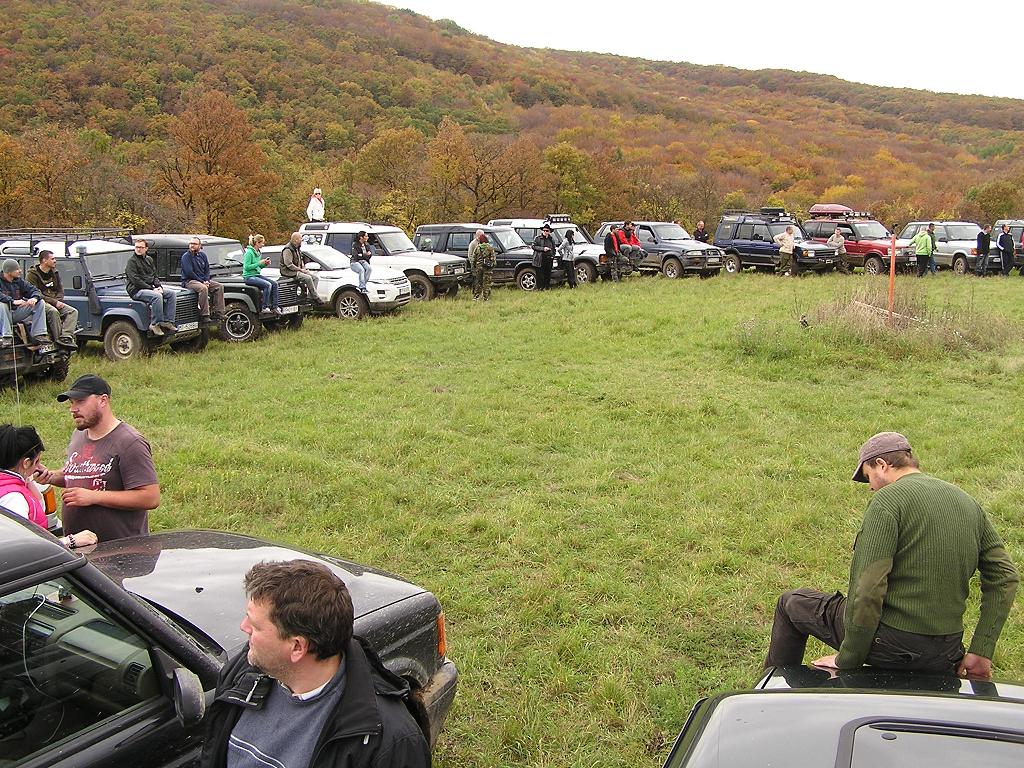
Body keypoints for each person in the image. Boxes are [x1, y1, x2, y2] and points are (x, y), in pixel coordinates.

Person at [765, 432, 1019, 679]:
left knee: (793, 603)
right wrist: (981, 650)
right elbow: (1005, 576)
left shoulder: (888, 501)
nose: (871, 487)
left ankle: (768, 694)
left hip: (891, 644)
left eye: (869, 477)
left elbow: (868, 587)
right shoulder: (967, 502)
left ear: (882, 465)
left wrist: (848, 657)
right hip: (946, 652)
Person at [199, 559, 431, 768]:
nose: (244, 628)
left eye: (256, 626)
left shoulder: (388, 743)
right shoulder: (244, 671)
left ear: (297, 647)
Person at [34, 374, 161, 543]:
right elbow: (82, 474)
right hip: (81, 547)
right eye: (71, 402)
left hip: (121, 550)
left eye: (80, 401)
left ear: (103, 400)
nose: (73, 409)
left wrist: (94, 497)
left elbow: (150, 497)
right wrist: (51, 476)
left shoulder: (130, 442)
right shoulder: (79, 435)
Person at [0, 423, 97, 549]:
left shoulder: (12, 486)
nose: (40, 467)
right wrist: (70, 541)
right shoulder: (14, 499)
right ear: (26, 463)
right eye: (37, 461)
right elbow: (20, 547)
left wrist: (27, 476)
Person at [27, 249, 78, 349]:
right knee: (53, 312)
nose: (55, 261)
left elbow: (60, 290)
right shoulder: (32, 275)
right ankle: (58, 341)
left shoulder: (54, 272)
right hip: (40, 302)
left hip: (55, 301)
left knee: (72, 312)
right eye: (52, 259)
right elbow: (35, 293)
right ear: (44, 261)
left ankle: (66, 337)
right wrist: (54, 302)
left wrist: (58, 301)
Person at [126, 239, 176, 334]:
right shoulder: (131, 262)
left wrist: (159, 286)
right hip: (136, 290)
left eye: (141, 247)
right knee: (157, 296)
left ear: (146, 248)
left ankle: (168, 321)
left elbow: (154, 275)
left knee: (171, 294)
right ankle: (155, 324)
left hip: (149, 288)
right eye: (137, 247)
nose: (138, 249)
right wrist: (152, 289)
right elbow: (135, 280)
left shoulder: (149, 259)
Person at [0, 258, 52, 349]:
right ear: (8, 272)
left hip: (15, 313)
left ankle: (39, 334)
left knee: (40, 302)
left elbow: (35, 290)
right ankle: (6, 337)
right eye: (17, 269)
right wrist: (12, 301)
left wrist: (34, 298)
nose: (20, 271)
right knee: (2, 304)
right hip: (3, 315)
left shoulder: (18, 281)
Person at [180, 237, 226, 322]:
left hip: (202, 280)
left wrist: (207, 280)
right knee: (203, 288)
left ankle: (218, 312)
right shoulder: (186, 257)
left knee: (219, 286)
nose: (192, 245)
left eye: (194, 244)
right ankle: (204, 315)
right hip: (189, 281)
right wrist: (202, 282)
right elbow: (189, 272)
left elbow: (207, 270)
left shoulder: (202, 255)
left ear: (199, 246)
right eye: (191, 243)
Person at [242, 234, 281, 316]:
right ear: (257, 243)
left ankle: (275, 306)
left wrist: (265, 264)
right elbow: (247, 267)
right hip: (249, 276)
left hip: (256, 274)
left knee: (274, 284)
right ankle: (264, 307)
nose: (263, 244)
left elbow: (259, 266)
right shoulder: (249, 253)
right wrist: (259, 263)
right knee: (267, 285)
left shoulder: (258, 253)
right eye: (262, 243)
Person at [281, 232, 320, 304]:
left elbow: (300, 260)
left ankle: (310, 298)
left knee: (315, 278)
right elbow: (288, 264)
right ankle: (316, 297)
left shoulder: (297, 248)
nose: (302, 240)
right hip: (288, 272)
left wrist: (304, 269)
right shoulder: (288, 249)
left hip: (297, 270)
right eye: (300, 239)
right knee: (308, 278)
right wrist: (300, 270)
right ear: (296, 240)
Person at [467, 229, 495, 300]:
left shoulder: (478, 247)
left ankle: (476, 297)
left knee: (479, 282)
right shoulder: (490, 248)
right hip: (487, 268)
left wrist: (474, 266)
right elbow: (493, 259)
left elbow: (473, 258)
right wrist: (492, 266)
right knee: (486, 283)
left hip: (479, 268)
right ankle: (486, 297)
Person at [531, 224, 556, 290]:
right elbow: (533, 246)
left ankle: (547, 287)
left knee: (548, 274)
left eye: (547, 231)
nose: (545, 232)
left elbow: (554, 249)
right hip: (540, 259)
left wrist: (553, 256)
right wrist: (543, 249)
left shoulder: (551, 239)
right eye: (544, 230)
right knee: (540, 275)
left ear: (549, 231)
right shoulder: (538, 238)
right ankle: (540, 288)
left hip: (549, 259)